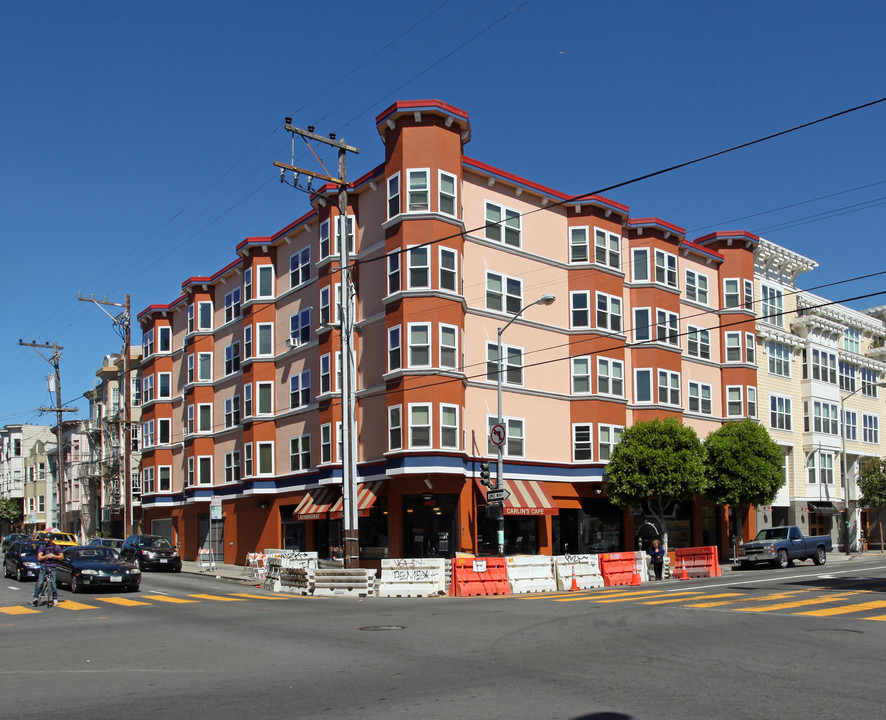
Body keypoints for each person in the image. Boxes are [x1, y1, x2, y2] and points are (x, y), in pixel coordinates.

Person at [32, 532, 63, 607]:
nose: (46, 539)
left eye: (48, 538)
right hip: (44, 566)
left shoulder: (57, 547)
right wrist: (46, 556)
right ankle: (35, 597)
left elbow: (61, 557)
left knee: (53, 584)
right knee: (40, 582)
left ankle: (55, 599)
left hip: (53, 567)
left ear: (52, 539)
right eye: (45, 538)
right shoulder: (42, 547)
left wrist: (54, 556)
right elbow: (39, 557)